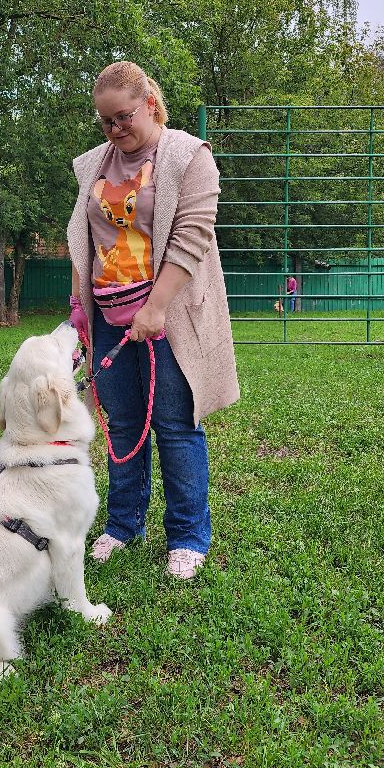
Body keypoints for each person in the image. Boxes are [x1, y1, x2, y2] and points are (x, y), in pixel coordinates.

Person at [66, 61, 239, 580]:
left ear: (150, 105)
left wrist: (156, 307)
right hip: (109, 316)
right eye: (105, 122)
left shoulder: (190, 157)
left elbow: (191, 239)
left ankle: (188, 536)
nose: (115, 130)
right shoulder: (95, 165)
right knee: (121, 426)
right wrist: (80, 312)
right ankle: (124, 526)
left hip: (170, 317)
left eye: (123, 117)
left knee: (174, 425)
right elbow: (87, 244)